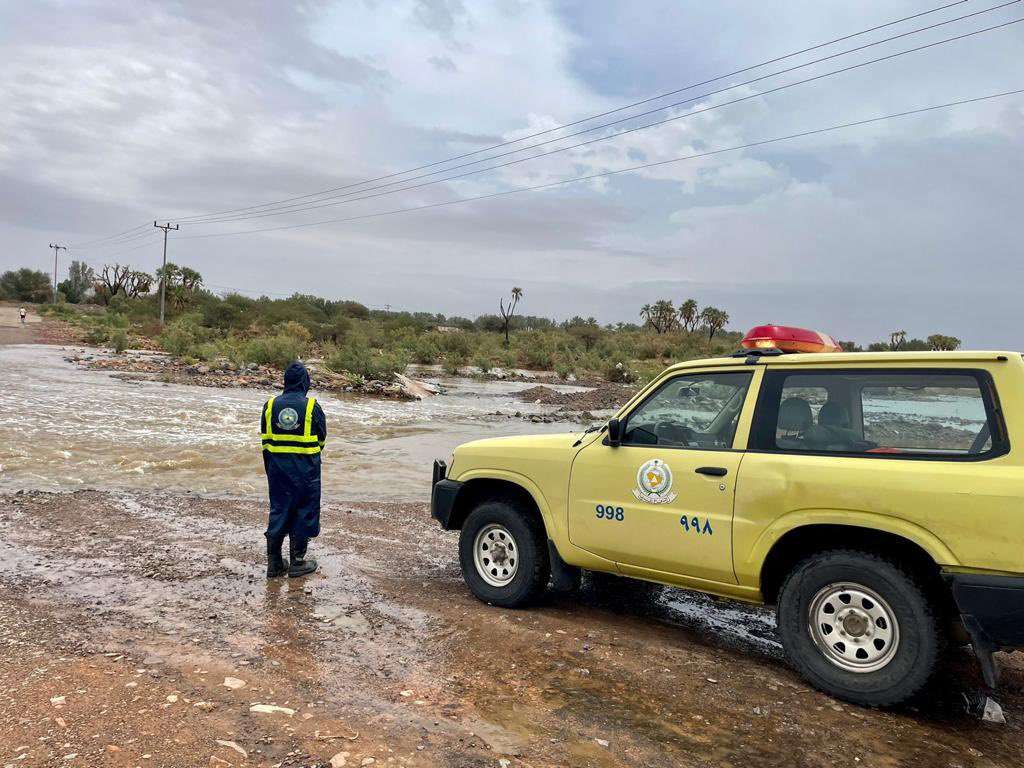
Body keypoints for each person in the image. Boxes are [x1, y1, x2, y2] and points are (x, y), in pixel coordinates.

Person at [260, 361, 327, 578]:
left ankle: (274, 563)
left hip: (277, 470)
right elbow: (322, 440)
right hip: (305, 472)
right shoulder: (311, 407)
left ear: (285, 381)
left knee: (279, 510)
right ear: (305, 382)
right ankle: (297, 562)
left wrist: (270, 469)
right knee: (304, 511)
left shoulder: (269, 406)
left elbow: (266, 442)